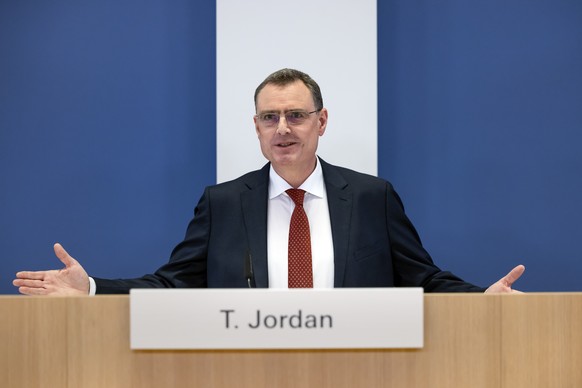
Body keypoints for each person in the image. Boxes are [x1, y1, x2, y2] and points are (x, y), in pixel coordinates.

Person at [13, 68, 525, 295]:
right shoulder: (224, 202)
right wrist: (95, 288)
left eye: (296, 115)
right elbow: (172, 284)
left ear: (321, 122)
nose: (282, 128)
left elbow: (423, 278)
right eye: (268, 117)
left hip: (363, 370)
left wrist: (483, 299)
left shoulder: (372, 196)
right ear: (256, 126)